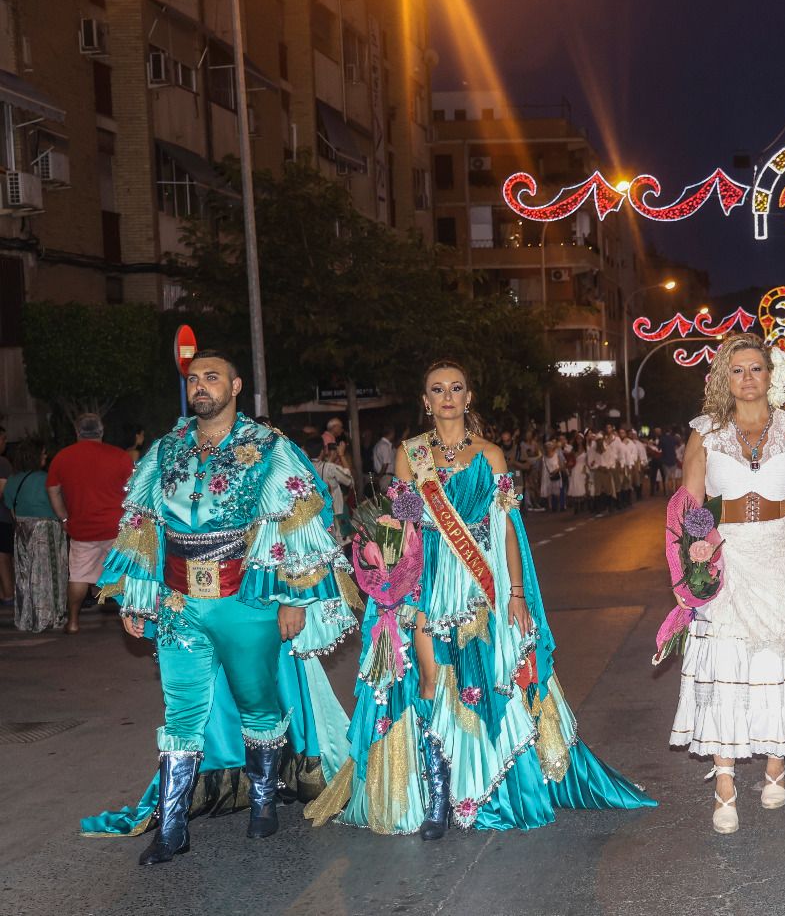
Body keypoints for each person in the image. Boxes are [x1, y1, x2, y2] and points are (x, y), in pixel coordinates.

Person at [309, 361, 654, 838]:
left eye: (456, 388)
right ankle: (437, 798)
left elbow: (507, 527)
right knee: (430, 677)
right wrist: (385, 581)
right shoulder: (411, 454)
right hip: (426, 575)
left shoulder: (490, 454)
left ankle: (481, 784)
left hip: (478, 580)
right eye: (437, 389)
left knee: (478, 678)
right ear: (425, 400)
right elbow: (404, 524)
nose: (447, 396)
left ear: (468, 397)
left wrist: (515, 592)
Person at [81, 352, 358, 864]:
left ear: (235, 386)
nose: (201, 387)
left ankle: (263, 802)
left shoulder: (269, 446)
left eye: (212, 378)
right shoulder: (166, 450)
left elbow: (291, 519)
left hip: (245, 601)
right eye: (194, 380)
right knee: (180, 712)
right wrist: (136, 596)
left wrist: (293, 596)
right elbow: (141, 525)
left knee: (258, 704)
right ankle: (170, 829)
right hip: (178, 602)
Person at [670, 334, 785, 833]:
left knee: (777, 660)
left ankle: (775, 763)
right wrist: (692, 560)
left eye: (757, 369)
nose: (748, 378)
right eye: (738, 370)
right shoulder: (705, 433)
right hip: (727, 554)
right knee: (726, 658)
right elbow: (689, 507)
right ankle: (724, 783)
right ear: (726, 377)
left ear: (772, 376)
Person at [46, 413, 135, 633]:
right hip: (116, 526)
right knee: (124, 573)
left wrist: (64, 517)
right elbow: (134, 489)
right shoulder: (120, 456)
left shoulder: (62, 457)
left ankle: (73, 622)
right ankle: (131, 620)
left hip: (82, 528)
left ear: (77, 432)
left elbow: (53, 490)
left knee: (78, 575)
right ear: (101, 431)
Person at [1, 446, 68, 630]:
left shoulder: (13, 480)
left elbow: (9, 505)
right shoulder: (45, 479)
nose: (45, 456)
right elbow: (58, 501)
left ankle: (27, 618)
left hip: (22, 530)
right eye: (43, 453)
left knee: (25, 574)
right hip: (46, 529)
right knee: (49, 573)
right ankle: (50, 617)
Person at [308, 436, 355, 539]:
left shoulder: (303, 467)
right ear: (323, 450)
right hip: (334, 511)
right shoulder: (329, 468)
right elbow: (349, 480)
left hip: (314, 514)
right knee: (340, 542)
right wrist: (341, 455)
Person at [0, 425, 13, 605]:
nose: (5, 443)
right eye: (2, 439)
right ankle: (9, 594)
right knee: (3, 557)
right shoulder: (2, 463)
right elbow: (3, 490)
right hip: (2, 517)